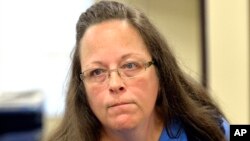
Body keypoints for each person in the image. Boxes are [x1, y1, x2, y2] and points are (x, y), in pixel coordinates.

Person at [48, 1, 230, 141]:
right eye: (97, 72)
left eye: (129, 66)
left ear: (159, 72)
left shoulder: (211, 129)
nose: (115, 84)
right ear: (82, 88)